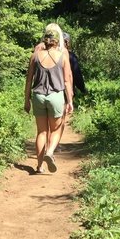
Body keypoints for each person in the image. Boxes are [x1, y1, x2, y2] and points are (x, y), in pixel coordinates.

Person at [24, 23, 73, 174]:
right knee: (56, 130)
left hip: (38, 96)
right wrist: (70, 100)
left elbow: (29, 80)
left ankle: (39, 167)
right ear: (57, 41)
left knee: (41, 132)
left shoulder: (35, 56)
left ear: (44, 40)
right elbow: (66, 81)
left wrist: (26, 100)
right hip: (56, 96)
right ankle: (50, 152)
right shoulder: (62, 56)